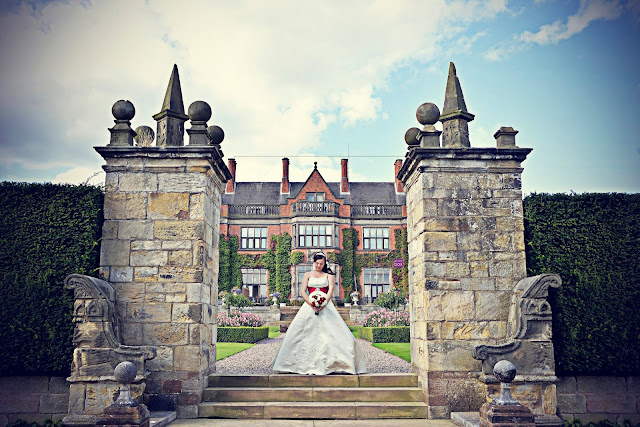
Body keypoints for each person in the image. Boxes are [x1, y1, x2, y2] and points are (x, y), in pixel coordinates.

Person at [272, 251, 367, 375]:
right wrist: (311, 303)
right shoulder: (307, 274)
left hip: (326, 307)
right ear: (314, 263)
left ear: (324, 264)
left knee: (334, 334)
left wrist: (323, 304)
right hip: (309, 306)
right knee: (300, 333)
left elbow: (331, 291)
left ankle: (335, 364)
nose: (319, 266)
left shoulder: (329, 276)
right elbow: (302, 291)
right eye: (317, 263)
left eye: (321, 264)